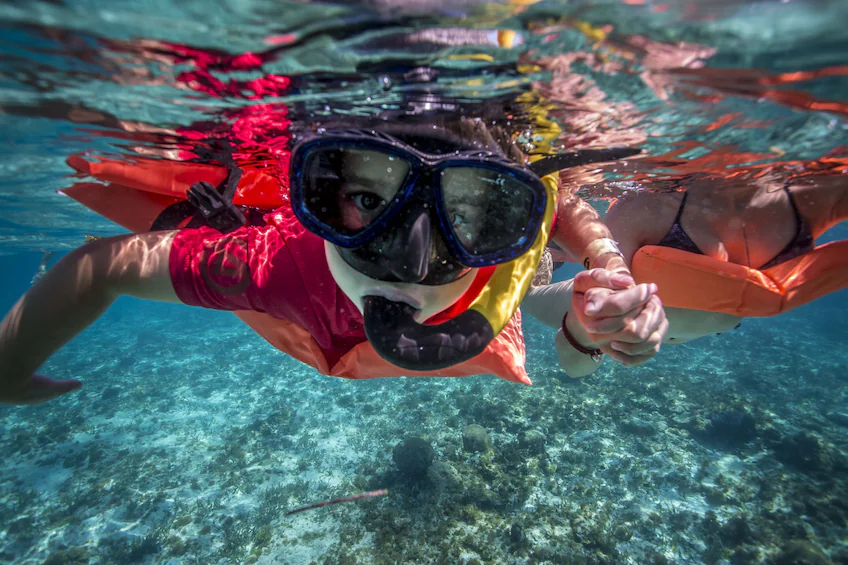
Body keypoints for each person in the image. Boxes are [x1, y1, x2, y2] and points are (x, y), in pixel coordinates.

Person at [0, 115, 667, 405]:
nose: (409, 258)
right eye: (363, 197)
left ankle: (572, 309)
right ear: (320, 192)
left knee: (530, 298)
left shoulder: (511, 244)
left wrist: (607, 260)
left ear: (500, 217)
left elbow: (554, 205)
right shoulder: (274, 265)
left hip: (495, 307)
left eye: (463, 215)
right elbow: (104, 264)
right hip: (303, 310)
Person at [523, 170, 848, 378]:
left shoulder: (814, 193)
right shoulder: (648, 208)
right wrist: (588, 330)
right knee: (527, 295)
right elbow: (574, 366)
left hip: (681, 329)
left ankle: (560, 253)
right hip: (589, 292)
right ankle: (543, 260)